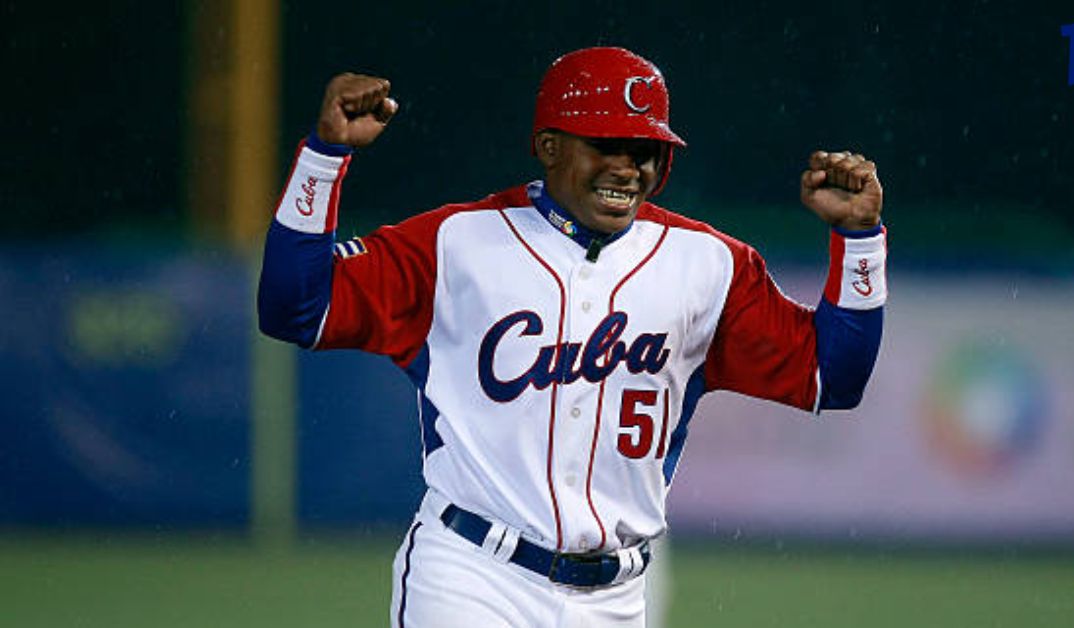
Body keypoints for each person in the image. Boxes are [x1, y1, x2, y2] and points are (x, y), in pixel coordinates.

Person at [258, 47, 886, 628]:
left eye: (645, 148)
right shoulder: (456, 244)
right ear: (549, 145)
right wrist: (324, 157)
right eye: (606, 142)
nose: (627, 166)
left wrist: (859, 242)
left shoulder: (708, 264)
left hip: (616, 600)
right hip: (473, 574)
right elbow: (294, 308)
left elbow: (833, 376)